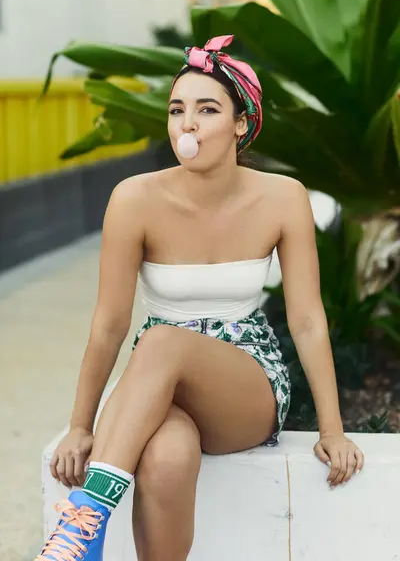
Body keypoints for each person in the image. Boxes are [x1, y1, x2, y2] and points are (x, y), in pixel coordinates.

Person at [35, 34, 364, 561]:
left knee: (165, 340)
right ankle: (88, 541)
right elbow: (110, 323)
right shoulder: (133, 199)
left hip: (244, 383)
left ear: (241, 124)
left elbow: (305, 319)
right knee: (165, 458)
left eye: (206, 110)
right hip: (156, 379)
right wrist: (79, 426)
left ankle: (84, 520)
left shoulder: (283, 197)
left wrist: (333, 430)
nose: (185, 124)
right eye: (176, 110)